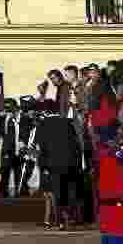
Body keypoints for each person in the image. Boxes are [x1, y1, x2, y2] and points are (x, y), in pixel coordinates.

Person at [38, 94, 89, 228]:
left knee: (56, 192)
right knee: (67, 191)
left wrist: (43, 166)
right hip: (70, 163)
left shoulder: (43, 124)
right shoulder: (67, 122)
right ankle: (68, 218)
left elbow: (42, 148)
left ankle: (59, 220)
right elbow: (75, 144)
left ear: (45, 111)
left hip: (53, 164)